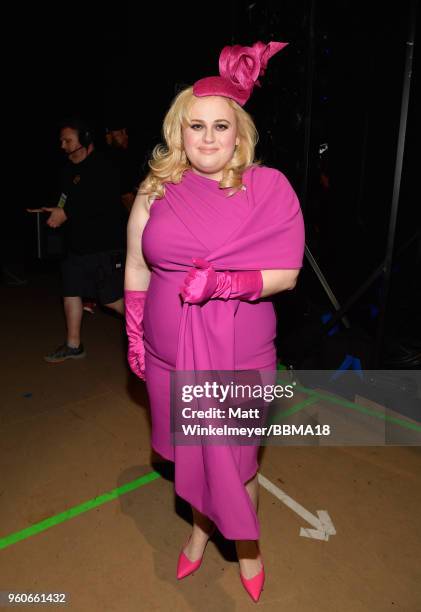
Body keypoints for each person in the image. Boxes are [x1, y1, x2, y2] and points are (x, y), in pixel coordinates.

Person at [124, 41, 305, 602]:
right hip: (168, 352)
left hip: (239, 352)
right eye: (195, 125)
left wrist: (228, 283)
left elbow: (288, 272)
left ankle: (248, 547)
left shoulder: (268, 187)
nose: (207, 138)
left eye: (219, 126)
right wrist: (134, 331)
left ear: (239, 132)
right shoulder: (156, 190)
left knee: (237, 461)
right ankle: (200, 533)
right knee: (191, 455)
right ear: (178, 132)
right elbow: (135, 266)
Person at [29, 118, 126, 362]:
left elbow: (103, 202)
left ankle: (153, 333)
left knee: (112, 300)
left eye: (68, 140)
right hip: (75, 245)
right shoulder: (67, 170)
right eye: (61, 140)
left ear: (84, 140)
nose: (63, 145)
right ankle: (74, 345)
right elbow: (66, 199)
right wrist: (54, 210)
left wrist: (68, 212)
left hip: (103, 245)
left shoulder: (104, 166)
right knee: (70, 291)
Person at [105, 124, 140, 213]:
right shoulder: (113, 157)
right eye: (107, 133)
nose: (108, 136)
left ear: (124, 132)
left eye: (111, 132)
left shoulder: (137, 152)